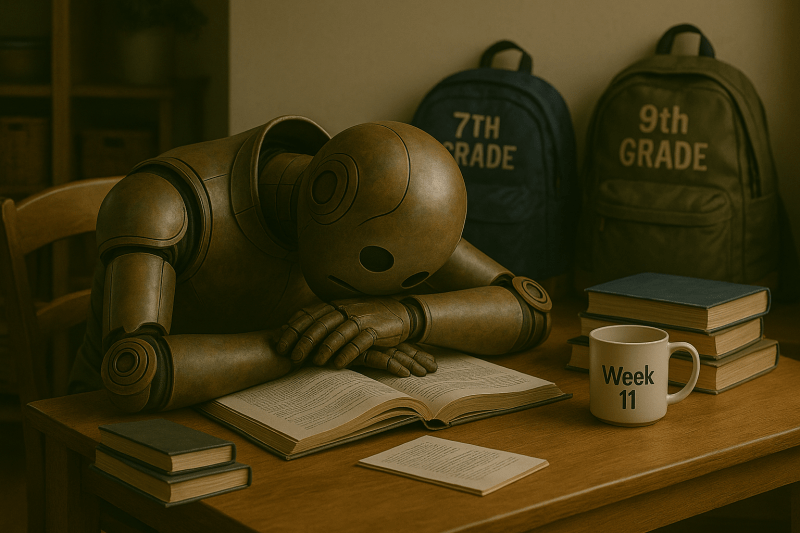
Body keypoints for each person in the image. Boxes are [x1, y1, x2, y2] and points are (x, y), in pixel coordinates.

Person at [69, 116, 552, 413]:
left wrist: (401, 316)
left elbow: (529, 307)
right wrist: (313, 344)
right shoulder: (161, 202)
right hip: (118, 427)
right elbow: (134, 372)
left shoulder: (382, 198)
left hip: (270, 407)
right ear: (327, 199)